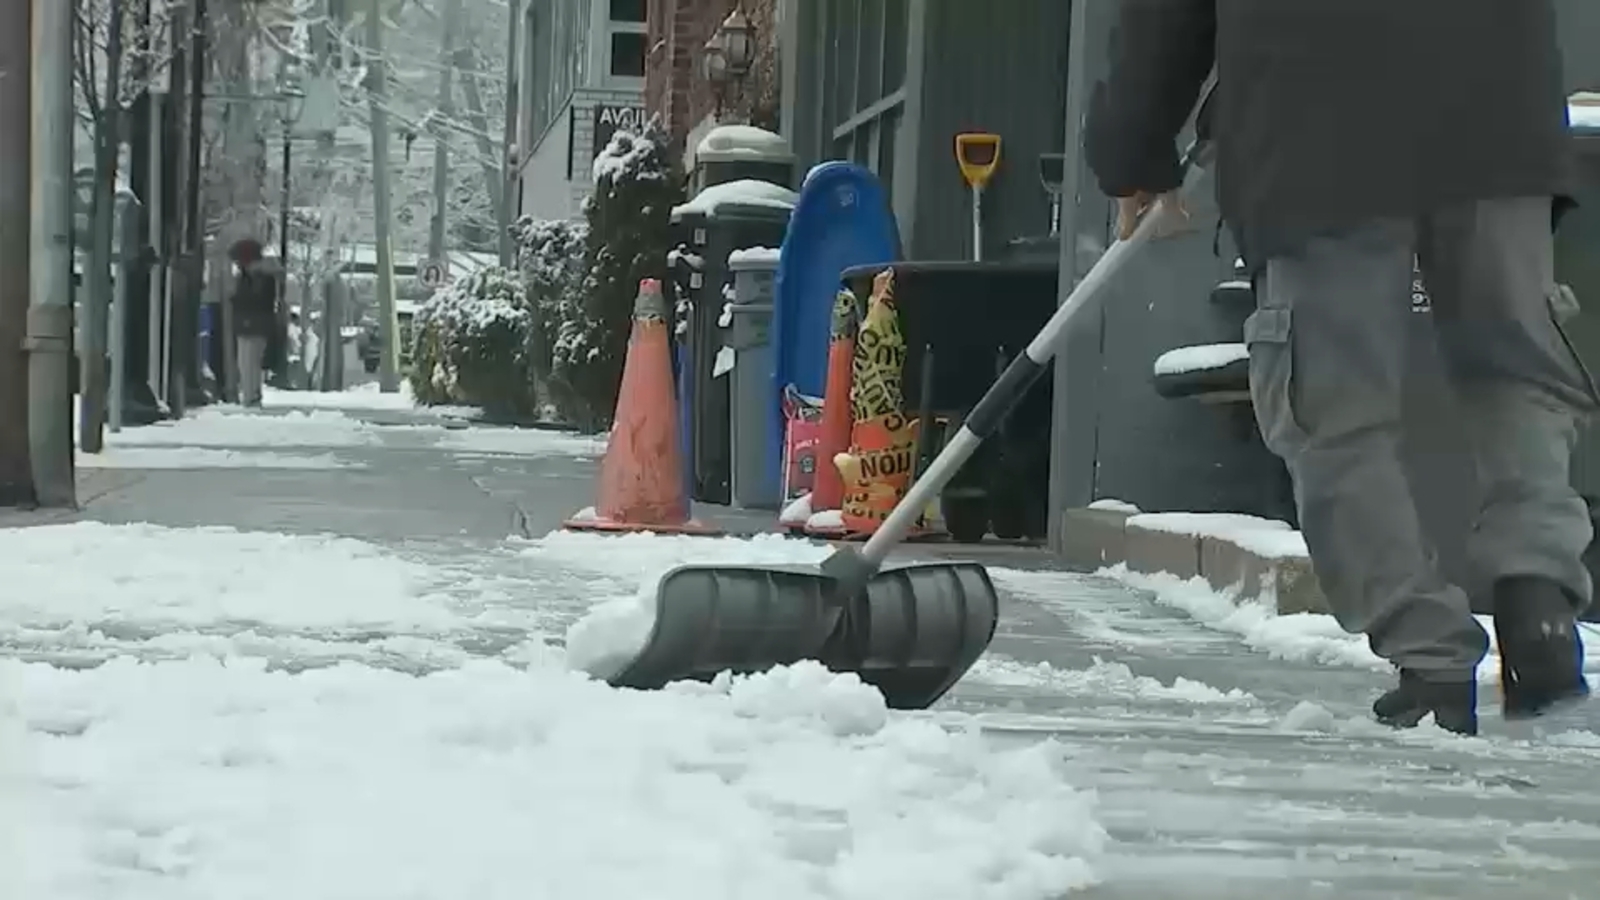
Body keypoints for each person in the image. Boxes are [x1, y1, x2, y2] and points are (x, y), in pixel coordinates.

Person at [1084, 0, 1593, 736]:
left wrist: (1133, 149)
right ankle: (1540, 590)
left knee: (1333, 401)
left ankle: (1431, 653)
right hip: (1497, 105)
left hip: (1316, 121)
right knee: (1513, 359)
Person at [228, 238, 283, 408]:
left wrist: (235, 300)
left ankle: (250, 395)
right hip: (258, 323)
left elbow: (253, 299)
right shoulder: (264, 275)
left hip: (250, 322)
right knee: (251, 361)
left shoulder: (254, 277)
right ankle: (252, 394)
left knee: (247, 361)